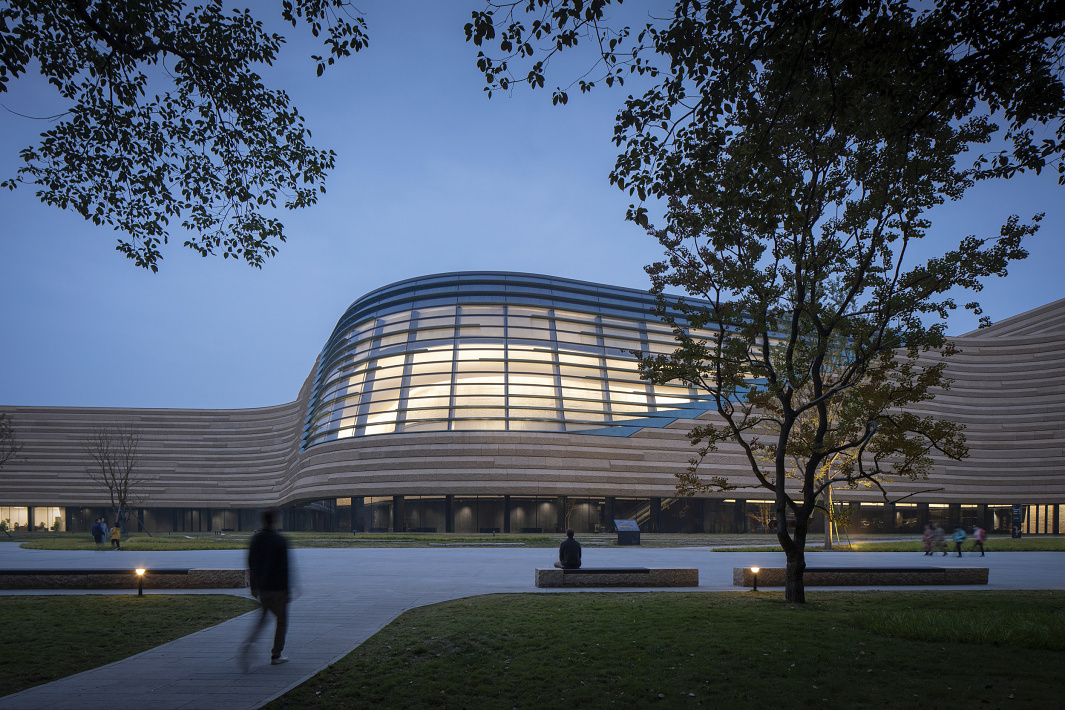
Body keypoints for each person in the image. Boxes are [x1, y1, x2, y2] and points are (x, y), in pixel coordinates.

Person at [243, 509, 291, 668]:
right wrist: (287, 589)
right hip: (277, 588)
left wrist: (254, 585)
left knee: (262, 619)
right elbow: (284, 567)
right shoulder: (279, 539)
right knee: (282, 621)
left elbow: (251, 563)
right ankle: (276, 655)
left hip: (263, 587)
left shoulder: (256, 539)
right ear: (275, 520)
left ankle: (249, 643)